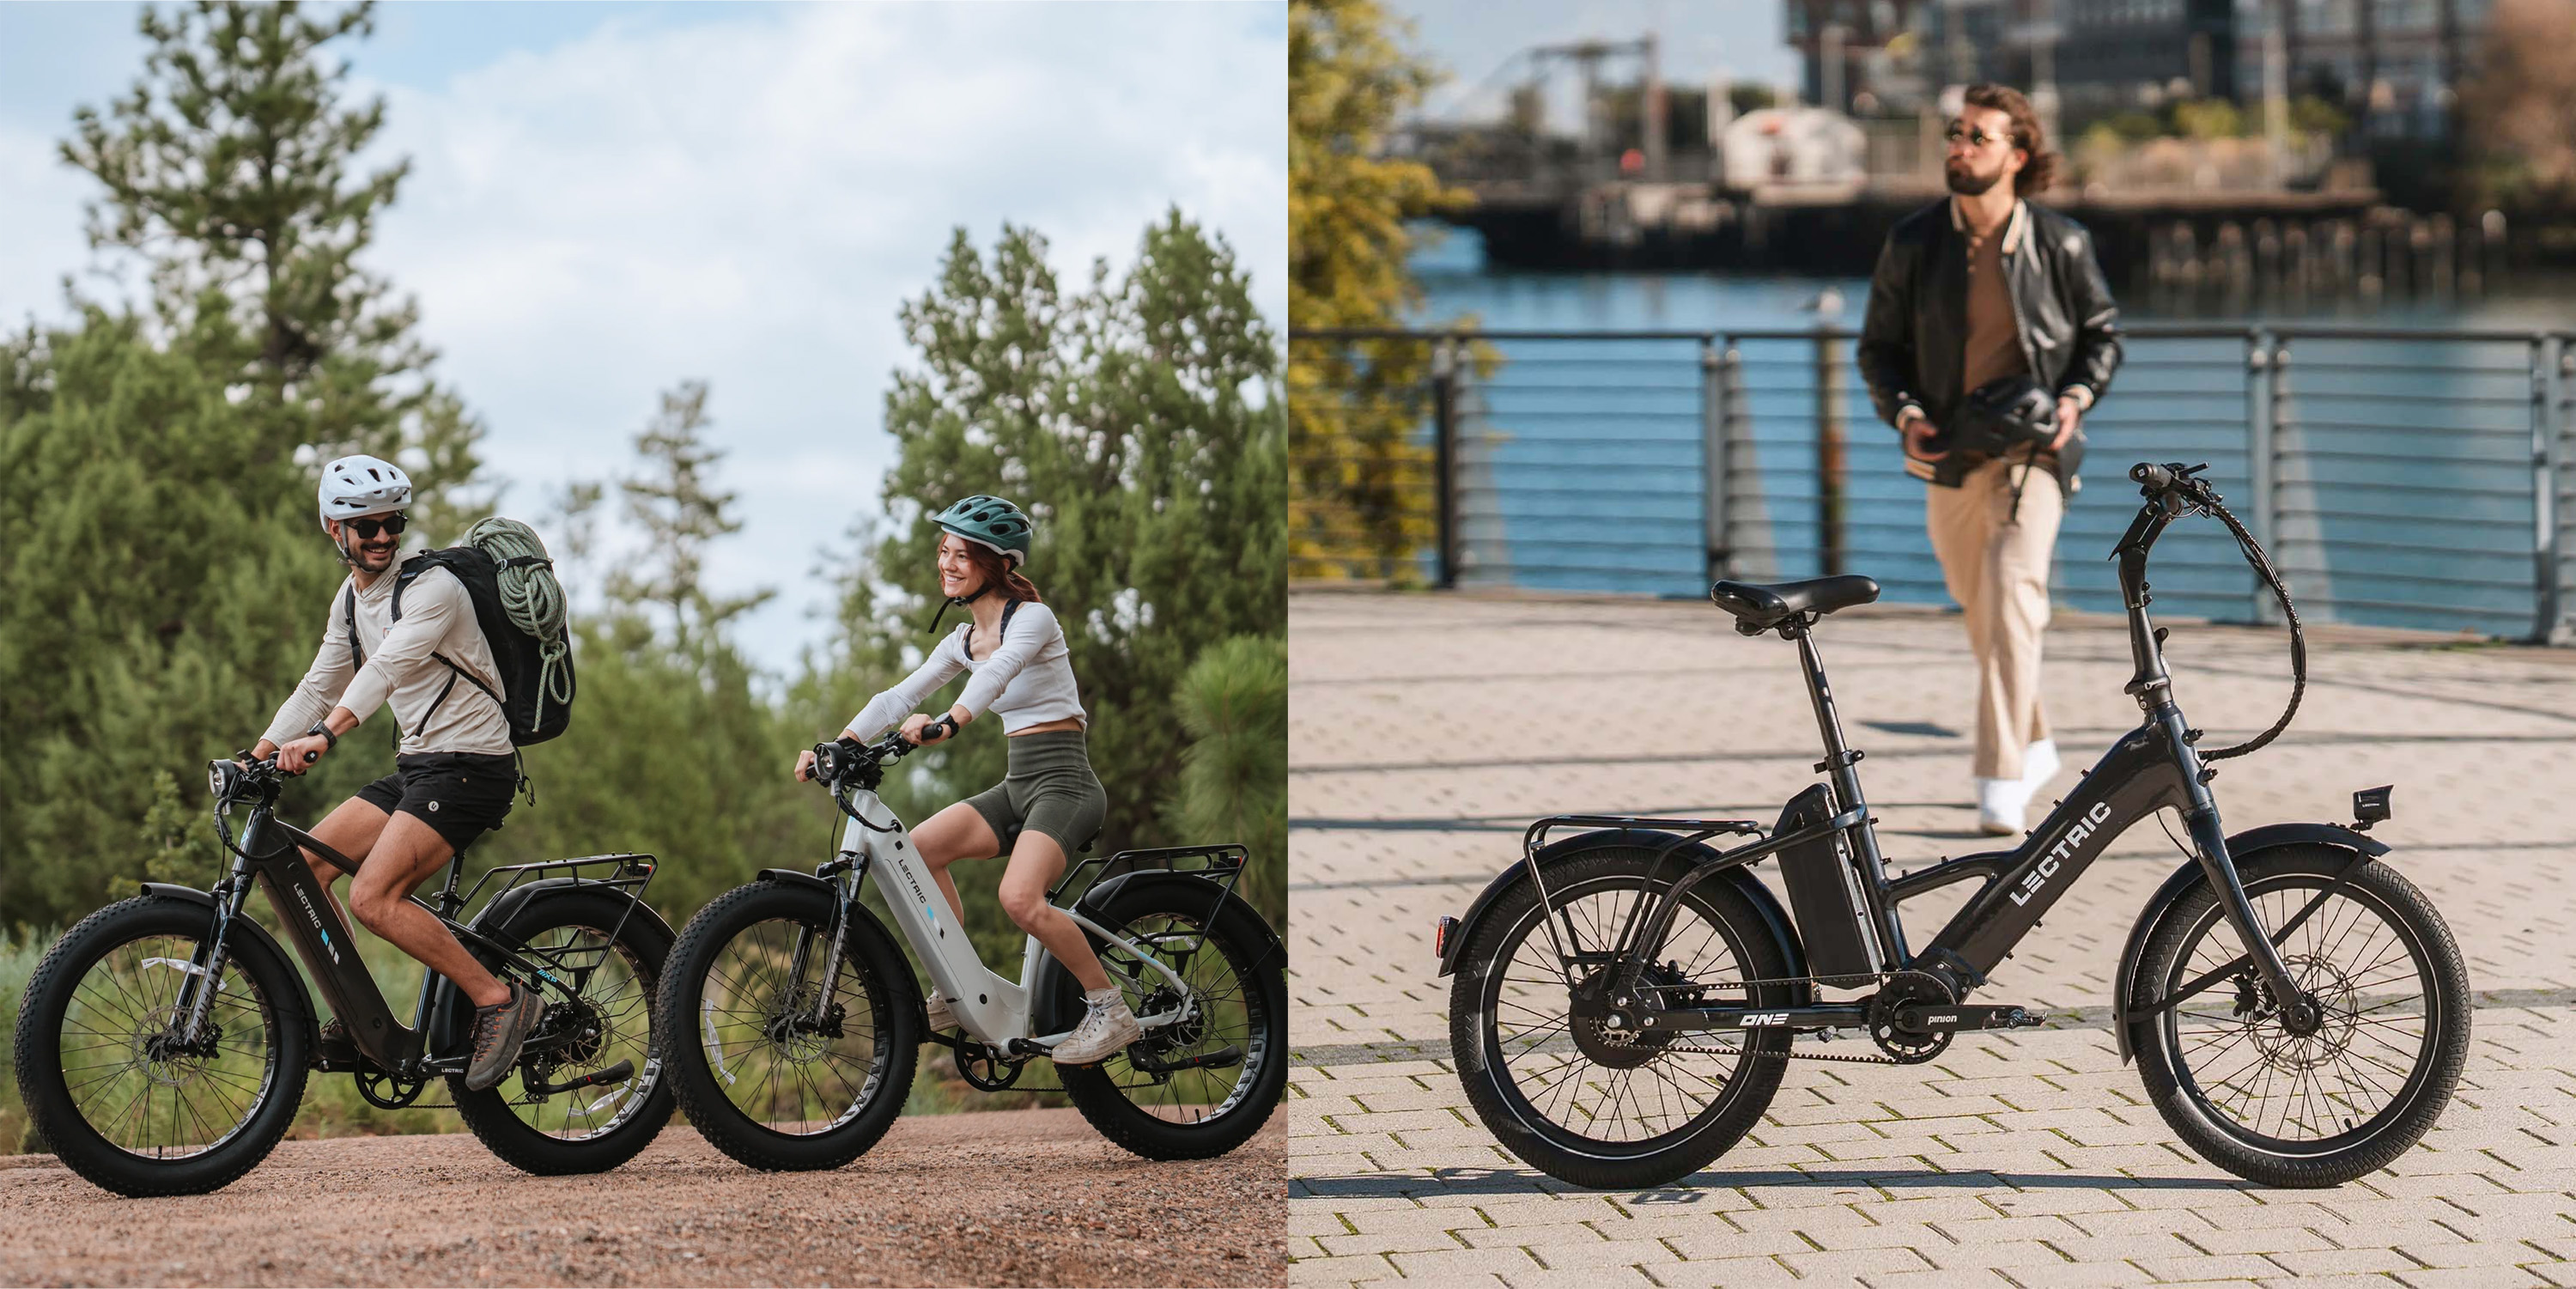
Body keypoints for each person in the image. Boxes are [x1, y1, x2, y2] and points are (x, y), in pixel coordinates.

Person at [1856, 83, 2123, 836]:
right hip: (1949, 455)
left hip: (2033, 451)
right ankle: (2033, 740)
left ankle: (1999, 779)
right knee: (1988, 616)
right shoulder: (1914, 243)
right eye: (1955, 134)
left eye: (1978, 137)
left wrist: (2075, 396)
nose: (1959, 147)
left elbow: (2102, 336)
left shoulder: (2059, 242)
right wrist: (1905, 415)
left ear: (2018, 153)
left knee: (2011, 593)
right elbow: (1878, 350)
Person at [793, 495, 1138, 1065]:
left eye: (962, 555)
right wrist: (840, 744)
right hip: (1018, 783)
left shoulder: (1032, 619)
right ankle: (956, 985)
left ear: (997, 563)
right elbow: (899, 696)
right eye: (944, 552)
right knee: (918, 852)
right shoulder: (960, 641)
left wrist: (953, 720)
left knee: (1019, 898)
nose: (948, 564)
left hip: (1066, 784)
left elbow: (1000, 672)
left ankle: (1108, 1007)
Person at [250, 454, 541, 1091]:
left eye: (393, 523)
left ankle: (499, 1000)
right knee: (307, 868)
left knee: (372, 896)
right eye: (368, 527)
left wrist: (325, 736)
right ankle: (361, 1018)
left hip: (472, 764)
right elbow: (320, 681)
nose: (383, 537)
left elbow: (385, 668)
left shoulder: (434, 588)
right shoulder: (351, 599)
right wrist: (262, 748)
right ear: (335, 530)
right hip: (420, 765)